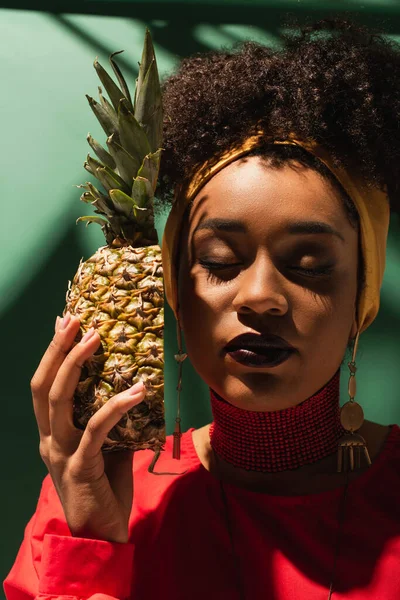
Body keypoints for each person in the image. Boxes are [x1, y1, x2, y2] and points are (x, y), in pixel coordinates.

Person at [4, 18, 400, 600]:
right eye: (219, 259)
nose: (259, 296)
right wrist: (94, 540)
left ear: (361, 299)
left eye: (310, 264)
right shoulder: (95, 495)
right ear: (175, 296)